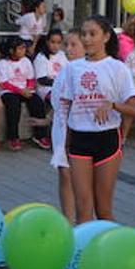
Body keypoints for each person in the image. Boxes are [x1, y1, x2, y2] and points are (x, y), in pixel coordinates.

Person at [52, 16, 135, 222]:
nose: (87, 39)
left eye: (93, 34)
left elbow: (134, 110)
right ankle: (83, 252)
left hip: (107, 139)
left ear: (106, 37)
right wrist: (64, 143)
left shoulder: (118, 68)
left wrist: (112, 105)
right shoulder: (72, 69)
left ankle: (109, 250)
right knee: (83, 209)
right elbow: (66, 108)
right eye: (84, 34)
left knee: (103, 209)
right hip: (79, 140)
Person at [48, 30, 84, 221]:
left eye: (73, 45)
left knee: (78, 178)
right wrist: (48, 119)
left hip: (78, 131)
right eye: (66, 45)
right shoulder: (64, 70)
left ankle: (81, 219)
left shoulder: (85, 71)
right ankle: (67, 220)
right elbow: (57, 101)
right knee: (64, 174)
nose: (68, 49)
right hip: (60, 129)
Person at [0, 36, 43, 152]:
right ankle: (13, 137)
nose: (23, 51)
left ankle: (40, 135)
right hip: (9, 91)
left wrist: (29, 88)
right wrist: (20, 91)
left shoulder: (26, 61)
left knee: (37, 101)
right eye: (20, 48)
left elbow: (31, 78)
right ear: (12, 50)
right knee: (13, 105)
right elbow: (4, 83)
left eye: (24, 48)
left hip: (24, 90)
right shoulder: (3, 63)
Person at [31, 29, 68, 149]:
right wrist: (60, 83)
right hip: (46, 90)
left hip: (62, 88)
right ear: (47, 42)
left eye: (58, 43)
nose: (55, 46)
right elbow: (42, 79)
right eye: (53, 42)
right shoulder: (41, 57)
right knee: (61, 102)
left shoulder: (62, 55)